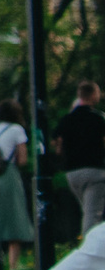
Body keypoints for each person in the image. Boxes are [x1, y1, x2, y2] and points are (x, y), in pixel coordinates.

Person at [0, 97, 38, 270]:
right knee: (14, 220)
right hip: (8, 176)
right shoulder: (16, 130)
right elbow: (22, 160)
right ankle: (13, 268)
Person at [59, 81, 105, 237]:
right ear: (93, 95)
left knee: (88, 210)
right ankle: (89, 251)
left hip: (72, 173)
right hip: (95, 171)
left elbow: (57, 144)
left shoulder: (67, 119)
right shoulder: (99, 118)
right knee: (92, 215)